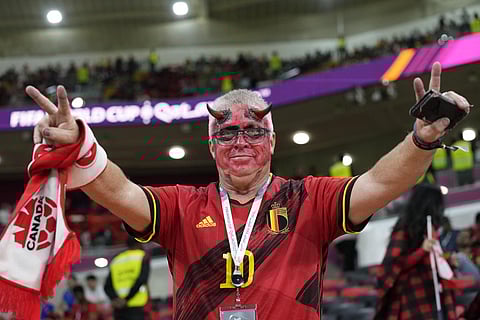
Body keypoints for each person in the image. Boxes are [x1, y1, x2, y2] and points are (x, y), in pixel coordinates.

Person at [25, 61, 472, 319]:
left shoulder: (308, 199)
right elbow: (119, 191)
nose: (240, 141)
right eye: (227, 133)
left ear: (273, 141)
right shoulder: (182, 205)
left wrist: (423, 140)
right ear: (211, 144)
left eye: (255, 131)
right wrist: (83, 147)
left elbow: (381, 182)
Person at [375, 184, 457, 319]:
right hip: (411, 295)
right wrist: (422, 251)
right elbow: (394, 265)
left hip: (432, 292)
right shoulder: (404, 228)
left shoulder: (432, 227)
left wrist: (448, 260)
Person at [104, 237, 151, 320]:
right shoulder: (143, 256)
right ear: (139, 243)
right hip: (137, 307)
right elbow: (141, 280)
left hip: (119, 309)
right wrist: (126, 299)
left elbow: (107, 286)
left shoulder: (116, 260)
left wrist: (115, 299)